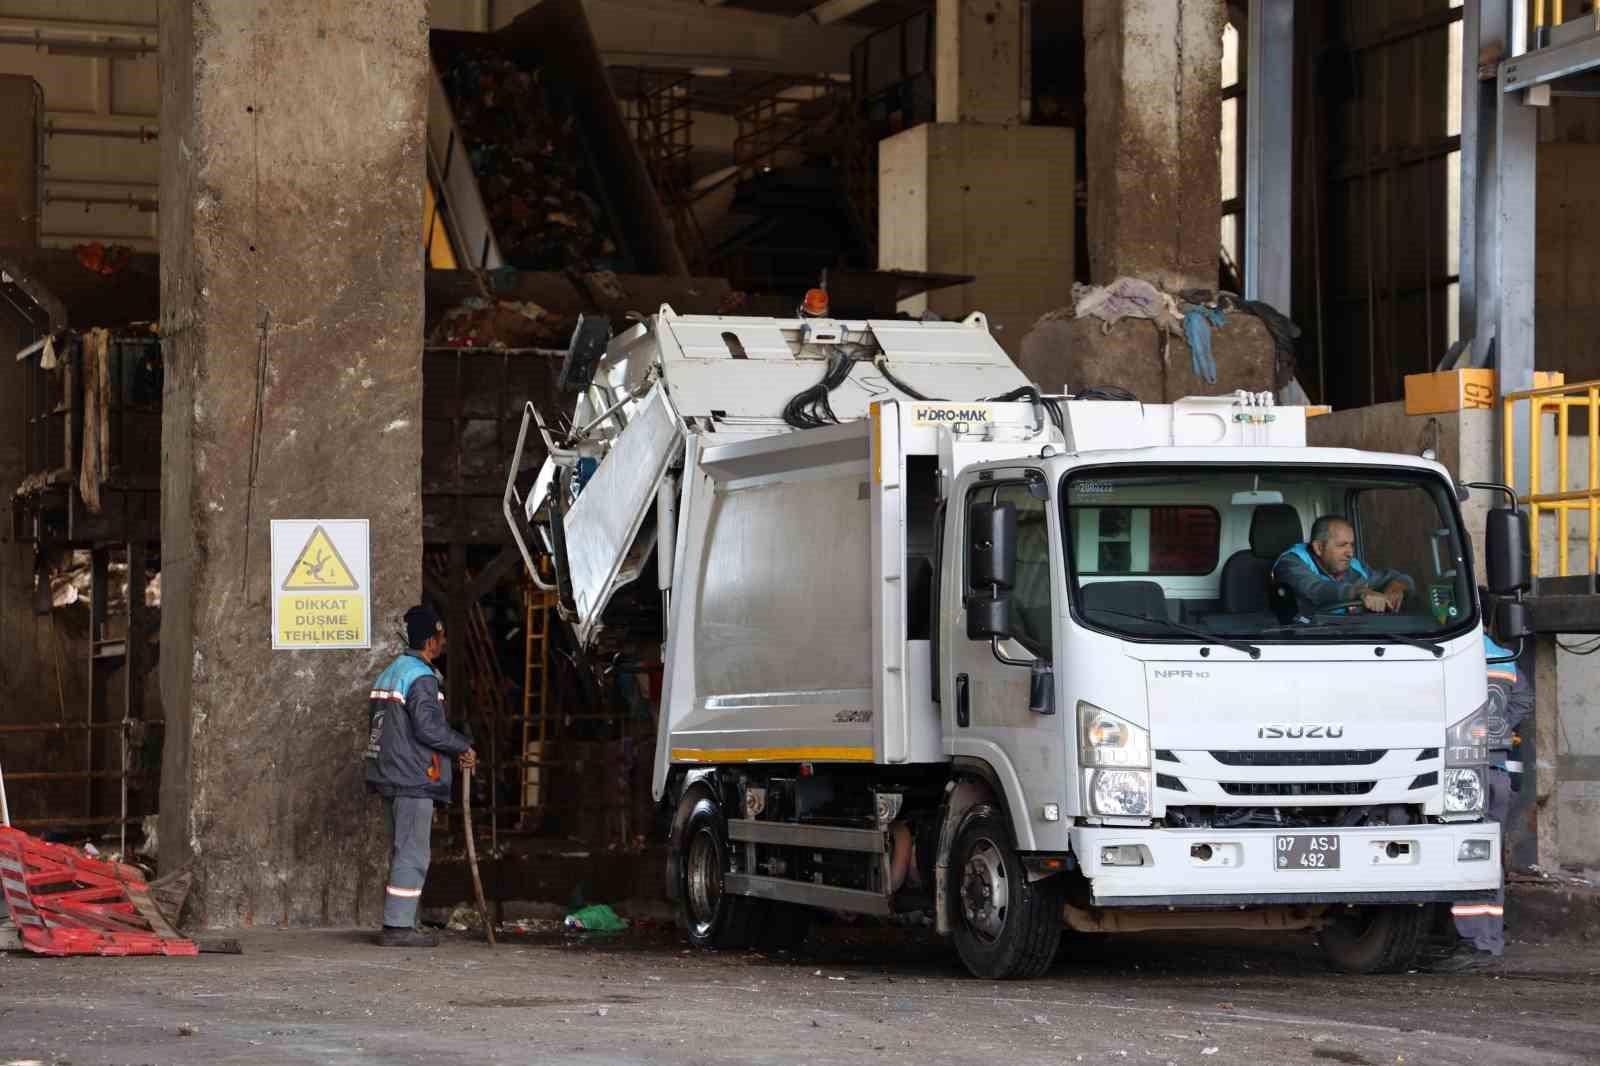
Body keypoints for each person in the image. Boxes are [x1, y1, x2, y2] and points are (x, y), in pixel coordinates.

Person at [365, 604, 476, 948]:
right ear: (431, 639)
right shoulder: (422, 677)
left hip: (391, 772)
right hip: (413, 776)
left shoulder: (391, 673)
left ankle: (401, 920)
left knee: (404, 848)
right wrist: (462, 747)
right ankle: (398, 927)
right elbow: (428, 728)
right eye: (441, 637)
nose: (443, 643)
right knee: (413, 851)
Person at [1435, 634, 1533, 972]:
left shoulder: (1452, 650)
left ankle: (1475, 942)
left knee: (1467, 857)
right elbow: (1523, 700)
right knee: (1488, 860)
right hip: (1497, 768)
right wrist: (1499, 730)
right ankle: (1488, 939)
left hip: (1462, 772)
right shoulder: (1504, 657)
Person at [1272, 514, 1413, 619]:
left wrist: (1395, 588)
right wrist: (1360, 592)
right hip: (1305, 642)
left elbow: (1400, 578)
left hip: (1356, 640)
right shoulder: (1291, 563)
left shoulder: (1354, 566)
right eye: (1342, 545)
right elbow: (1314, 589)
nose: (1350, 553)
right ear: (1319, 547)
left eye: (1351, 544)